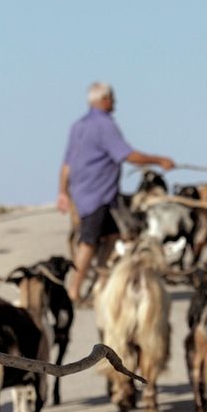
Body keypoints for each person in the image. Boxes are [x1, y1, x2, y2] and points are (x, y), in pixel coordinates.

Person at [56, 81, 175, 301]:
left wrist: (62, 192)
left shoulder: (78, 126)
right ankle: (73, 291)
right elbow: (126, 155)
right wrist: (160, 160)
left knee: (113, 236)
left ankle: (100, 285)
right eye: (112, 98)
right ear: (103, 100)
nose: (115, 103)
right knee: (88, 242)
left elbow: (66, 164)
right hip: (96, 195)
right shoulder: (104, 125)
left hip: (91, 194)